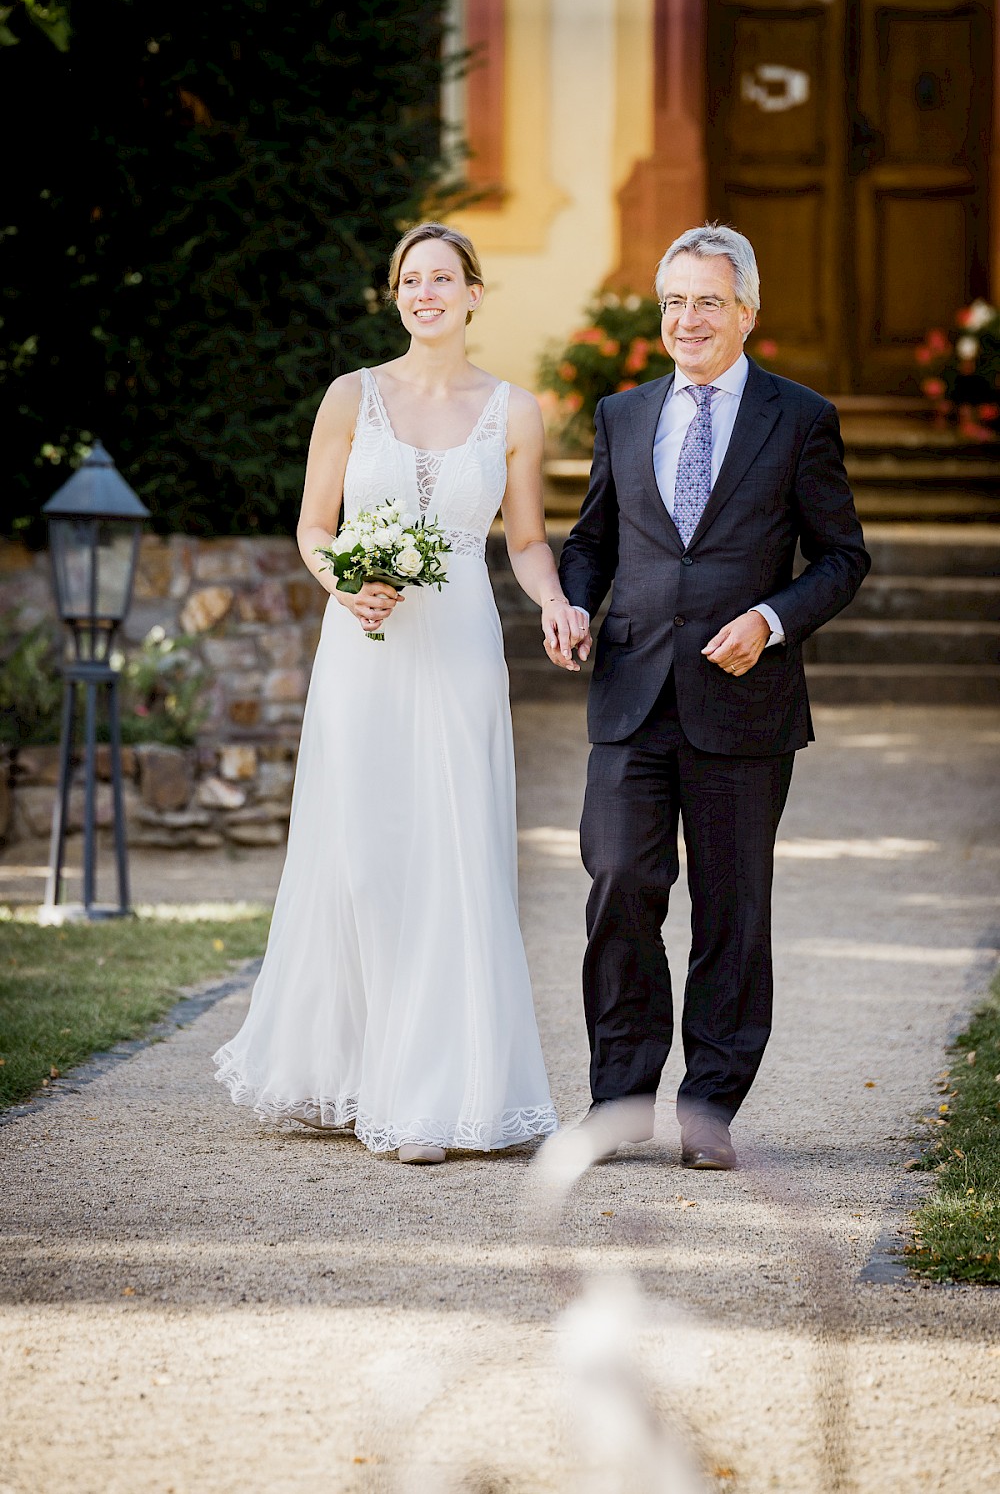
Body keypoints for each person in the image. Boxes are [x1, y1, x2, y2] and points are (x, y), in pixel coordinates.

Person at [215, 222, 584, 1164]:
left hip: (460, 647)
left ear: (474, 294)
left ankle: (430, 1095)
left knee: (452, 853)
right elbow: (312, 527)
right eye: (410, 280)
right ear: (398, 296)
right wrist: (343, 581)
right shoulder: (351, 396)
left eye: (443, 278)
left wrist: (555, 603)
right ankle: (353, 1072)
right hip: (364, 647)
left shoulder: (515, 411)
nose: (426, 293)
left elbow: (528, 539)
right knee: (366, 856)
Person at [554, 223, 870, 1169]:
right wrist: (572, 602)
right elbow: (591, 541)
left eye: (707, 302)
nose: (688, 319)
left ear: (747, 314)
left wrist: (772, 619)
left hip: (744, 701)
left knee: (733, 908)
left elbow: (843, 557)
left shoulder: (800, 417)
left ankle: (708, 1110)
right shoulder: (621, 413)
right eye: (675, 302)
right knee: (617, 883)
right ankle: (618, 1101)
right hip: (630, 690)